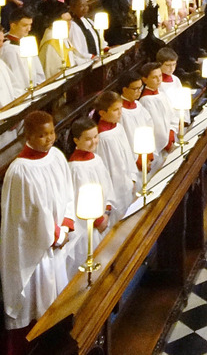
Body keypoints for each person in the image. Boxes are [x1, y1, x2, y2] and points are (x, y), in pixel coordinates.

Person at [0, 111, 74, 355]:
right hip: (36, 250)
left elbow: (67, 192)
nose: (49, 139)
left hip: (57, 238)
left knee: (58, 296)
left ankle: (58, 337)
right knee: (38, 298)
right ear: (28, 137)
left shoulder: (57, 156)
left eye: (51, 132)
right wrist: (55, 235)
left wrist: (65, 224)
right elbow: (27, 217)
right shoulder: (20, 170)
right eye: (42, 135)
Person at [66, 118, 114, 278]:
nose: (94, 142)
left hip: (103, 218)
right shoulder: (75, 168)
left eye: (95, 137)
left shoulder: (96, 158)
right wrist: (98, 220)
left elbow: (107, 186)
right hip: (89, 226)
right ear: (76, 140)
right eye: (88, 139)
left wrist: (107, 210)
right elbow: (79, 198)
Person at [94, 91, 137, 213]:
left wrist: (132, 178)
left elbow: (128, 155)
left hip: (127, 184)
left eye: (121, 108)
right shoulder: (102, 138)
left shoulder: (118, 127)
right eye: (115, 110)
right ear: (102, 113)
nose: (120, 113)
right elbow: (107, 169)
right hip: (116, 191)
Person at [1, 8, 45, 92]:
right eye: (25, 25)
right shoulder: (8, 49)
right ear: (13, 25)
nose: (29, 29)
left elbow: (38, 70)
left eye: (30, 25)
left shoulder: (27, 42)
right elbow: (16, 78)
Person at [138, 62, 177, 155]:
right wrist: (166, 142)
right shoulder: (145, 101)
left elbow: (172, 116)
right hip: (161, 147)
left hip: (171, 139)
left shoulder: (161, 94)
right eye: (154, 77)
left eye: (160, 76)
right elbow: (156, 127)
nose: (159, 80)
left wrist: (172, 132)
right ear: (145, 80)